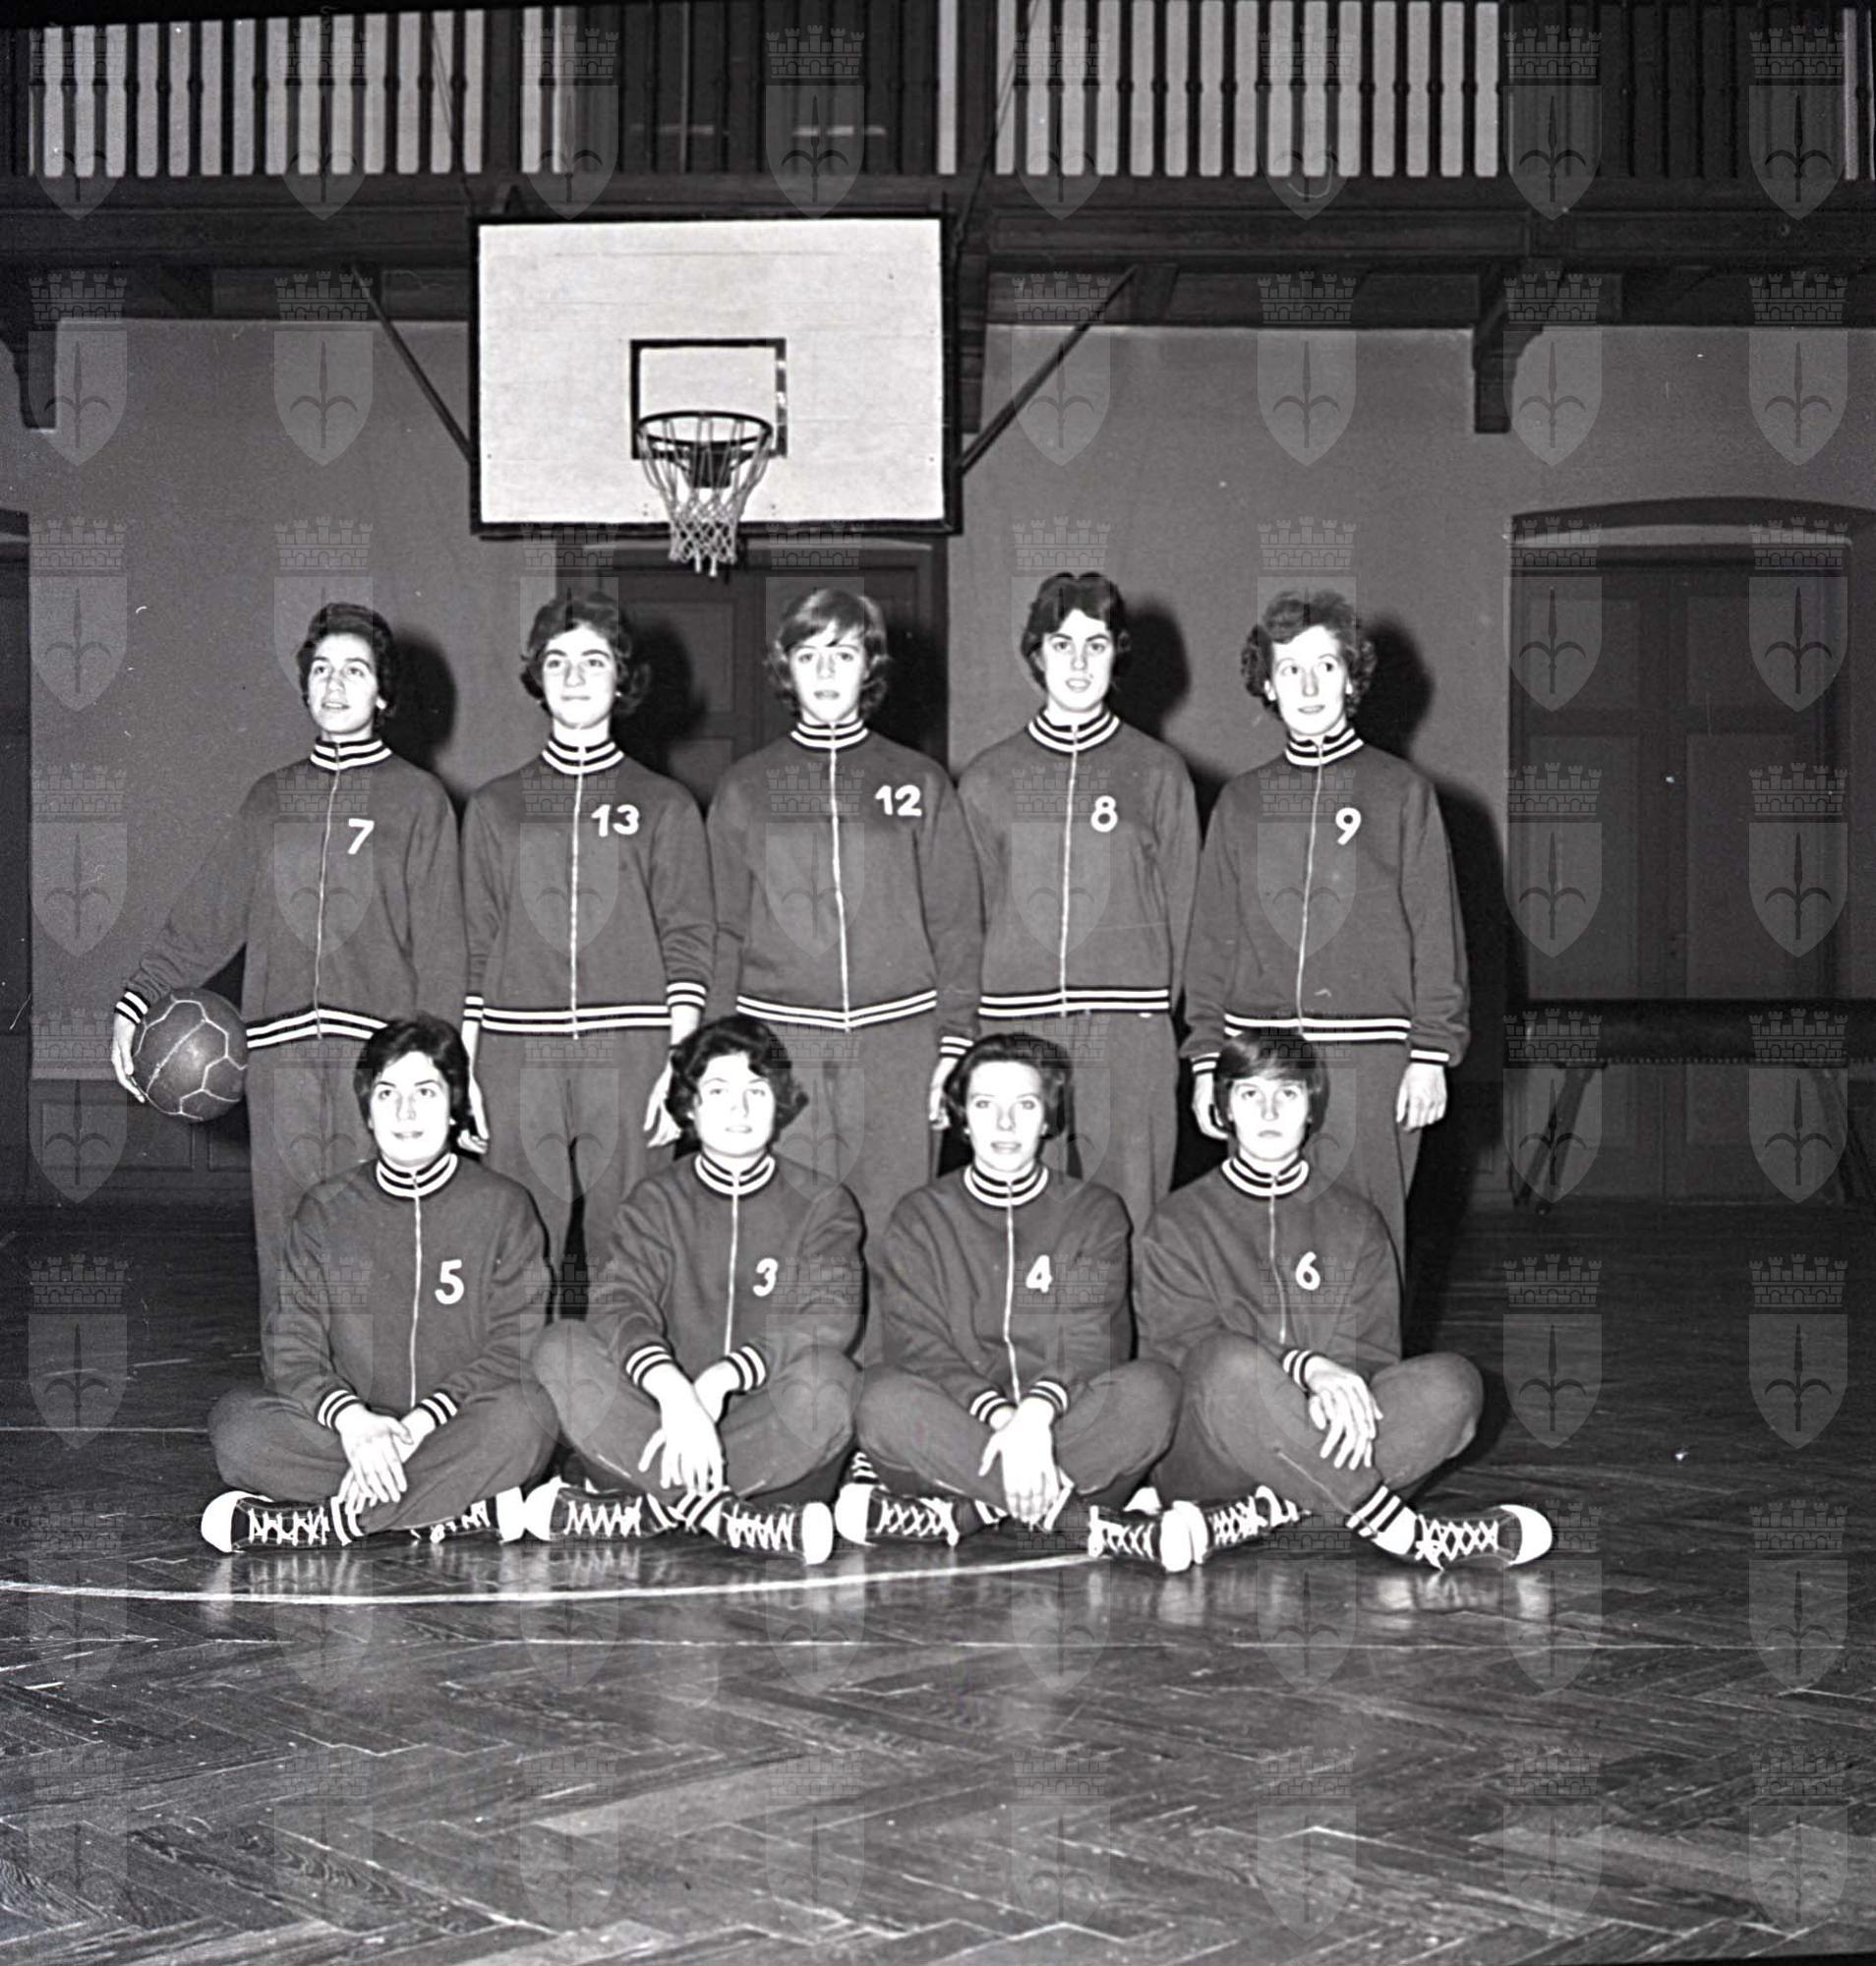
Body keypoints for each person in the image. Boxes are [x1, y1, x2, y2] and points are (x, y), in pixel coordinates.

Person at [111, 604, 466, 1332]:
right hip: (280, 1063)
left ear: (384, 693)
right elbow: (203, 918)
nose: (335, 685)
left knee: (378, 1245)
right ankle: (299, 1392)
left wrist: (440, 1073)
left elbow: (443, 951)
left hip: (380, 1067)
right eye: (322, 669)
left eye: (355, 670)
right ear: (305, 685)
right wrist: (136, 1002)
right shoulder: (269, 800)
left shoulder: (418, 801)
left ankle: (390, 1395)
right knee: (288, 1253)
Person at [1137, 1032, 1551, 1571]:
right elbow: (1181, 1355)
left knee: (1453, 1385)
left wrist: (1324, 1398)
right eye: (1249, 1094)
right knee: (1227, 1362)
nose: (1268, 1111)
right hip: (1214, 1454)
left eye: (1287, 1094)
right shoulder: (1178, 1221)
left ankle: (1256, 1517)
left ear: (1312, 1108)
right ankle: (1407, 1534)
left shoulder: (1356, 1221)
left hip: (1330, 1444)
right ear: (1225, 1108)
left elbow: (1373, 1357)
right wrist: (1304, 1369)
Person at [1182, 590, 1467, 1277]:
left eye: (1326, 667)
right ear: (1268, 686)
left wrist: (1431, 1053)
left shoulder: (1401, 793)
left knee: (1369, 1247)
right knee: (1265, 1246)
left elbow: (1438, 934)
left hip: (1372, 1058)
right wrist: (1205, 1058)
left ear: (1352, 679)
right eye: (1290, 670)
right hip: (1263, 1062)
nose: (1308, 687)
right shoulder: (1242, 802)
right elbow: (1211, 940)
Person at [703, 590, 982, 1287]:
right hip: (782, 1044)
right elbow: (722, 931)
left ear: (870, 667)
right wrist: (718, 1055)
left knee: (894, 1242)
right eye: (808, 655)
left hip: (898, 1044)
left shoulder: (918, 782)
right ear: (785, 669)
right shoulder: (746, 788)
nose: (826, 672)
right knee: (788, 1237)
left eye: (844, 654)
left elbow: (956, 924)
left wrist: (955, 1041)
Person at [201, 1016, 557, 1551]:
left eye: (426, 1092)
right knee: (237, 1429)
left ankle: (327, 1522)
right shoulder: (325, 1210)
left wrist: (419, 1424)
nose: (406, 1112)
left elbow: (516, 1346)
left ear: (455, 1105)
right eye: (388, 1093)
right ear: (368, 1110)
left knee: (531, 1417)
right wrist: (354, 1422)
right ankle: (456, 1509)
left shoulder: (504, 1207)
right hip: (347, 1434)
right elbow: (291, 1347)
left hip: (452, 1423)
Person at [840, 1032, 1194, 1571]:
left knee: (1154, 1390)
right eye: (985, 1105)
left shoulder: (1093, 1211)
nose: (1004, 1124)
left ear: (1048, 1118)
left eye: (1024, 1106)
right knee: (877, 1396)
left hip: (1063, 1430)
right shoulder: (921, 1216)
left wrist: (1036, 1416)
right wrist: (1004, 1417)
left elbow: (1094, 1337)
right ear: (962, 1118)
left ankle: (965, 1514)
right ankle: (1079, 1522)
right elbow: (919, 1345)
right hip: (963, 1426)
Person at [527, 1016, 861, 1563]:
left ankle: (652, 1510)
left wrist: (724, 1377)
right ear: (690, 1107)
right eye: (719, 1091)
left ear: (779, 1104)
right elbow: (620, 1302)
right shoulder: (655, 1199)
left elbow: (828, 1315)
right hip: (661, 1420)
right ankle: (724, 1516)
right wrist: (673, 1390)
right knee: (559, 1349)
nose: (739, 1109)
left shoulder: (822, 1202)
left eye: (757, 1091)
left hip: (763, 1427)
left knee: (833, 1381)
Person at [460, 592, 713, 1284]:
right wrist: (466, 1069)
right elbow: (476, 945)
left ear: (622, 678)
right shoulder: (495, 806)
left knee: (626, 1256)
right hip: (517, 1053)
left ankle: (623, 1362)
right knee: (515, 1255)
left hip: (631, 1054)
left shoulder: (664, 804)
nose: (574, 677)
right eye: (557, 661)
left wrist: (679, 1062)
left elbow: (689, 942)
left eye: (594, 660)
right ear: (536, 678)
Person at [958, 573, 1199, 1232]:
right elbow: (967, 918)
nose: (1079, 663)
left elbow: (1187, 912)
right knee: (1021, 1216)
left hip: (1127, 1031)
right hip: (1015, 1028)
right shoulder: (988, 778)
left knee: (1129, 1217)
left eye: (1097, 645)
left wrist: (1155, 1011)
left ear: (1118, 654)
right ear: (1036, 654)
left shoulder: (1158, 773)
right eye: (1062, 645)